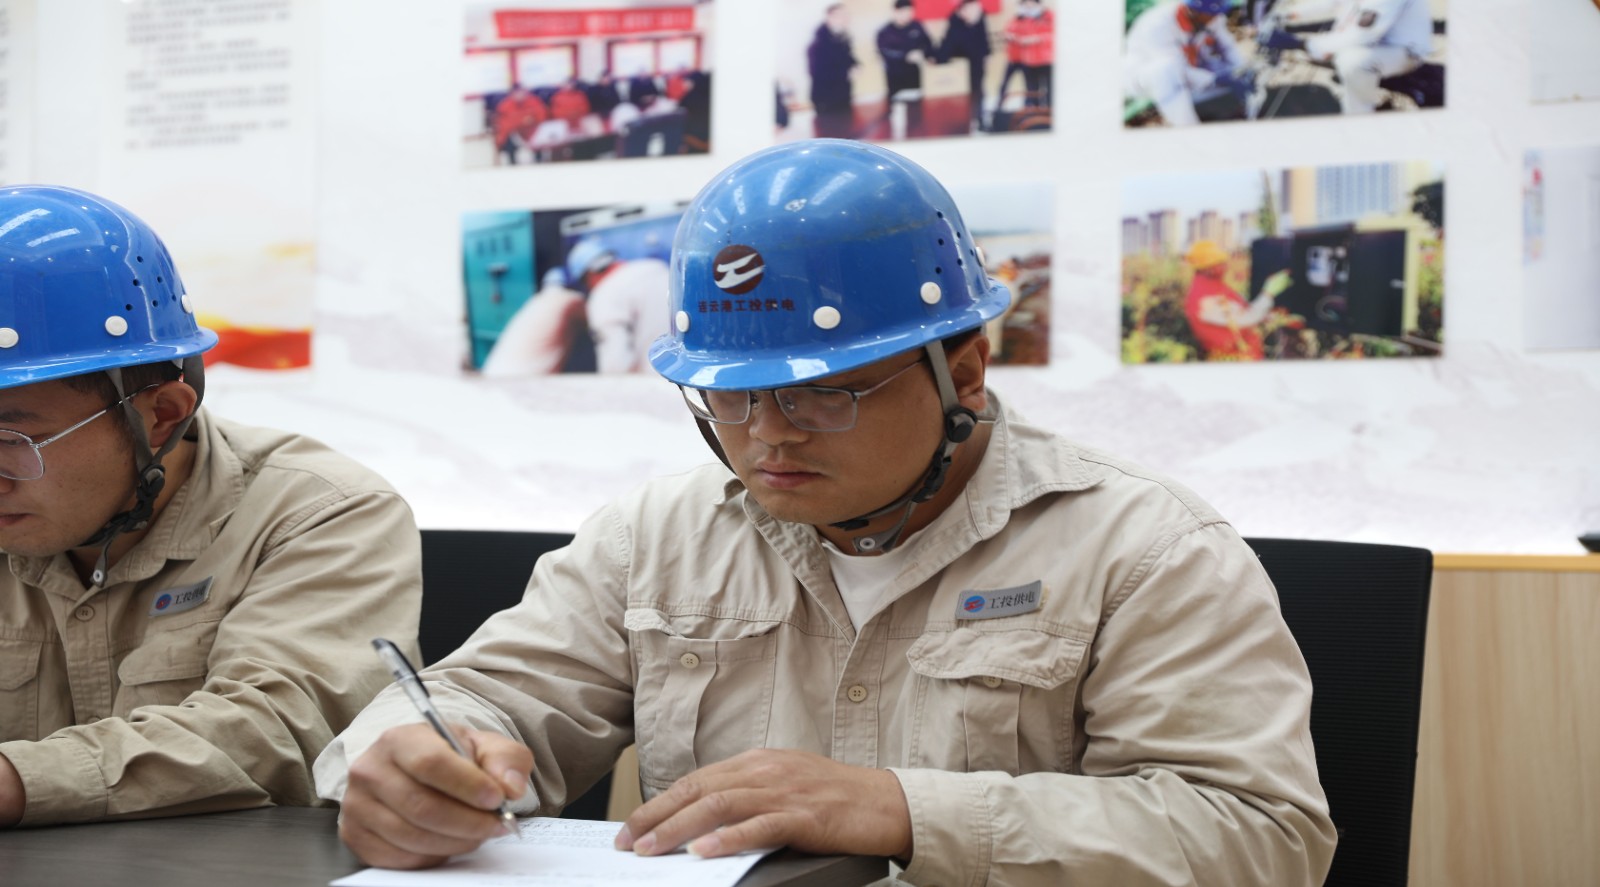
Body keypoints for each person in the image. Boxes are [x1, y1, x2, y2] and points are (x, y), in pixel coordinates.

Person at [314, 140, 1334, 883]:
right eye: (730, 397)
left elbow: (1262, 838)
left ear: (963, 369)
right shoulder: (654, 539)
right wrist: (411, 757)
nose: (768, 436)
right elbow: (479, 696)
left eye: (823, 392)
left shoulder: (1142, 548)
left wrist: (903, 808)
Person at [0, 185, 422, 827]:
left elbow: (278, 730)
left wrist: (17, 781)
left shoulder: (323, 513)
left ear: (162, 416)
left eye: (12, 441)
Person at [1258, 0, 1433, 113]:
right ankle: (1360, 80)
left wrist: (1301, 44)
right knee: (1335, 51)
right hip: (1376, 43)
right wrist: (1289, 13)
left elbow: (1363, 34)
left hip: (1403, 52)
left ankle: (1359, 117)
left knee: (1351, 62)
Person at [1124, 0, 1253, 126]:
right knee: (1165, 70)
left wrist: (1239, 72)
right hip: (1144, 79)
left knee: (1226, 68)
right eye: (1211, 13)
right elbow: (1177, 70)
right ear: (1193, 11)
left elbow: (1228, 48)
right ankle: (1187, 128)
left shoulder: (1211, 18)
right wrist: (1214, 79)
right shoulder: (1157, 25)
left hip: (1187, 70)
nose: (1216, 17)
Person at [564, 239, 670, 374]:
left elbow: (616, 361)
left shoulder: (603, 293)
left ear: (589, 275)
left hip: (651, 378)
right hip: (684, 373)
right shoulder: (658, 268)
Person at [1183, 239, 1291, 361]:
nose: (1225, 267)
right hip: (1233, 360)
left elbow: (1241, 309)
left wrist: (1269, 317)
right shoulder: (1203, 299)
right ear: (1208, 268)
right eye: (1220, 263)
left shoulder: (1214, 287)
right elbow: (1246, 318)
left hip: (1247, 354)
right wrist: (1268, 293)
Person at [481, 268, 590, 377]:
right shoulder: (571, 299)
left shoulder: (536, 301)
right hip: (524, 379)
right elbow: (594, 321)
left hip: (492, 373)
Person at [876, 0, 934, 127]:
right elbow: (884, 52)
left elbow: (928, 44)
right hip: (895, 77)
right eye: (903, 12)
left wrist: (923, 53)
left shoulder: (917, 26)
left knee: (916, 111)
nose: (907, 15)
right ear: (895, 12)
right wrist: (905, 56)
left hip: (915, 76)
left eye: (909, 12)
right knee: (897, 114)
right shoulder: (885, 32)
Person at [936, 0, 992, 131]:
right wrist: (940, 60)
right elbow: (949, 44)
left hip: (977, 62)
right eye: (968, 9)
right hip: (959, 65)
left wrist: (987, 54)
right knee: (960, 95)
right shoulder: (955, 20)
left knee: (978, 91)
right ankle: (961, 123)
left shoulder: (980, 16)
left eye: (975, 8)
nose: (973, 12)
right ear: (961, 10)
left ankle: (980, 120)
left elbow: (984, 38)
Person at [806, 4, 859, 138]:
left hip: (843, 95)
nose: (845, 19)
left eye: (846, 15)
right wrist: (846, 73)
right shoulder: (818, 44)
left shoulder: (842, 39)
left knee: (845, 136)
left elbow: (848, 58)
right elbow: (817, 73)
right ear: (829, 18)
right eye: (840, 16)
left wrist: (856, 65)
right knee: (829, 138)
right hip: (826, 100)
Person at [997, 0, 1054, 112]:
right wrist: (1011, 36)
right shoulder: (1021, 18)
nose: (1028, 6)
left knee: (1049, 89)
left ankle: (1048, 113)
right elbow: (1011, 30)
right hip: (1027, 61)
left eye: (1031, 3)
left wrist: (1037, 38)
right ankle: (1035, 112)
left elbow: (1054, 35)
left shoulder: (1049, 16)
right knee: (1033, 90)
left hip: (1046, 60)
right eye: (1025, 4)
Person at [491, 84, 548, 164]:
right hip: (514, 133)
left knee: (540, 139)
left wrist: (533, 120)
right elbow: (504, 123)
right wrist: (522, 121)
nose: (519, 95)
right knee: (508, 142)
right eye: (516, 93)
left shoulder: (534, 101)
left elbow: (542, 116)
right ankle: (513, 163)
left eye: (521, 92)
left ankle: (539, 161)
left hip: (532, 131)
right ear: (512, 94)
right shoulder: (505, 105)